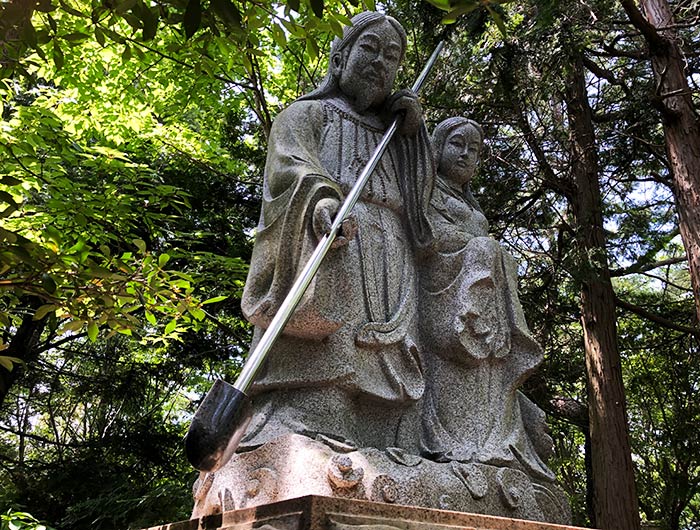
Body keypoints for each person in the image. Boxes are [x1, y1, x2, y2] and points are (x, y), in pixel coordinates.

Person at [239, 11, 435, 451]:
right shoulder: (307, 114)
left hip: (391, 251)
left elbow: (421, 199)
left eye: (392, 56)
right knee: (335, 359)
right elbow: (292, 168)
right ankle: (308, 416)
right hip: (336, 238)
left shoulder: (393, 131)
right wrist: (323, 201)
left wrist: (412, 136)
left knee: (385, 367)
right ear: (339, 56)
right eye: (369, 48)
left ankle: (386, 435)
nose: (380, 62)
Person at [420, 117, 556, 481]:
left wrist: (489, 255)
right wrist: (480, 249)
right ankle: (450, 443)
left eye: (474, 149)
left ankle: (491, 444)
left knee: (487, 375)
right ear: (437, 147)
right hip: (445, 294)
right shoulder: (426, 191)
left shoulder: (473, 208)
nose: (465, 154)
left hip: (483, 305)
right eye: (457, 144)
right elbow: (426, 237)